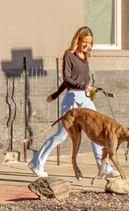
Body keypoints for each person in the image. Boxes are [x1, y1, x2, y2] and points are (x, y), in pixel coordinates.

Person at [28, 25, 110, 195]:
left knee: (96, 131)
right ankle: (36, 163)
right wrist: (58, 95)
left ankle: (105, 169)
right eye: (84, 42)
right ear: (78, 40)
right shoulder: (69, 55)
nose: (86, 46)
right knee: (61, 135)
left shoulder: (85, 57)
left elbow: (78, 79)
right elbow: (67, 79)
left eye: (89, 43)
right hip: (73, 98)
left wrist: (89, 88)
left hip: (86, 98)